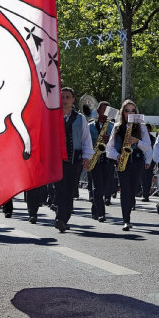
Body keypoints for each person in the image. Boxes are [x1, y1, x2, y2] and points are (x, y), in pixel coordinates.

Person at [106, 100, 152, 231]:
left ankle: (130, 205)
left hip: (137, 161)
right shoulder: (117, 127)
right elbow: (109, 148)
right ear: (123, 112)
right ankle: (126, 220)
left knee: (132, 190)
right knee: (125, 190)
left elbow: (148, 146)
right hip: (122, 161)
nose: (130, 113)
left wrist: (137, 141)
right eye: (127, 111)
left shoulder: (141, 127)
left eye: (133, 111)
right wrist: (117, 155)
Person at [54, 87, 92, 233]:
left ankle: (64, 218)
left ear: (73, 99)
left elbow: (86, 139)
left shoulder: (80, 118)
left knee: (70, 191)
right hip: (57, 160)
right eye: (62, 97)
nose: (64, 100)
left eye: (67, 97)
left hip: (74, 159)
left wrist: (86, 157)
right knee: (60, 189)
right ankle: (60, 218)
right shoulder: (53, 116)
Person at [88, 102, 114, 222]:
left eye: (106, 110)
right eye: (102, 110)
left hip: (107, 159)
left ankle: (95, 209)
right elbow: (86, 143)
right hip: (95, 159)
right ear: (98, 111)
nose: (104, 113)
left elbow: (118, 143)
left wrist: (110, 140)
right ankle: (101, 213)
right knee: (97, 187)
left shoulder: (113, 126)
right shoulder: (90, 126)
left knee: (104, 188)